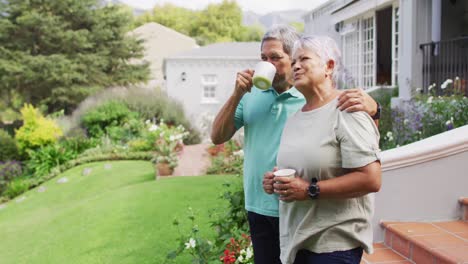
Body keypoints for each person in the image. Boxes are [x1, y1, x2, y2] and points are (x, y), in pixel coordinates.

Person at [211, 25, 380, 264]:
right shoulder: (278, 105)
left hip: (311, 217)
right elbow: (217, 136)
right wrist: (237, 93)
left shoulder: (320, 100)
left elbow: (368, 160)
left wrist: (375, 111)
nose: (268, 64)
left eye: (276, 58)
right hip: (263, 205)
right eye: (263, 58)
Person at [262, 35, 381, 264]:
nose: (296, 65)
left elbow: (371, 179)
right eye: (294, 60)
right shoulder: (295, 118)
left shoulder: (348, 109)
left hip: (334, 245)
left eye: (304, 58)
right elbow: (304, 168)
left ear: (329, 66)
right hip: (298, 242)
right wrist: (276, 181)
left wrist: (309, 190)